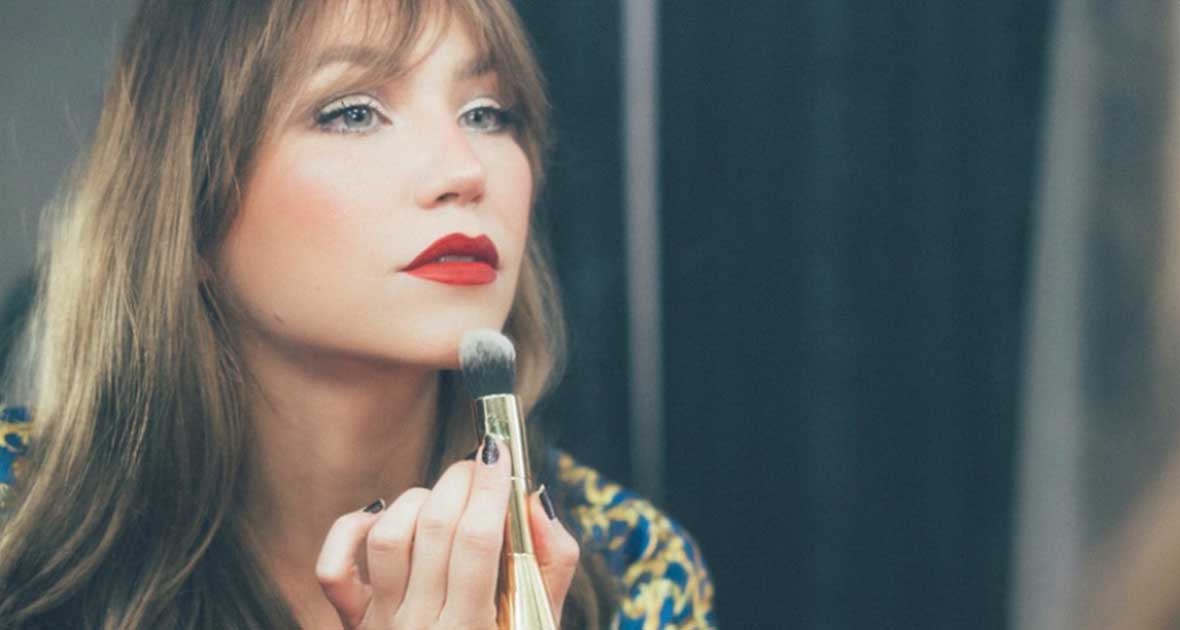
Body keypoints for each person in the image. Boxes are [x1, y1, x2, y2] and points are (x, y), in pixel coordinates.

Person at [0, 1, 716, 628]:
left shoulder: (634, 569)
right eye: (352, 112)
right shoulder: (14, 522)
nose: (464, 169)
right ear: (190, 210)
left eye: (487, 114)